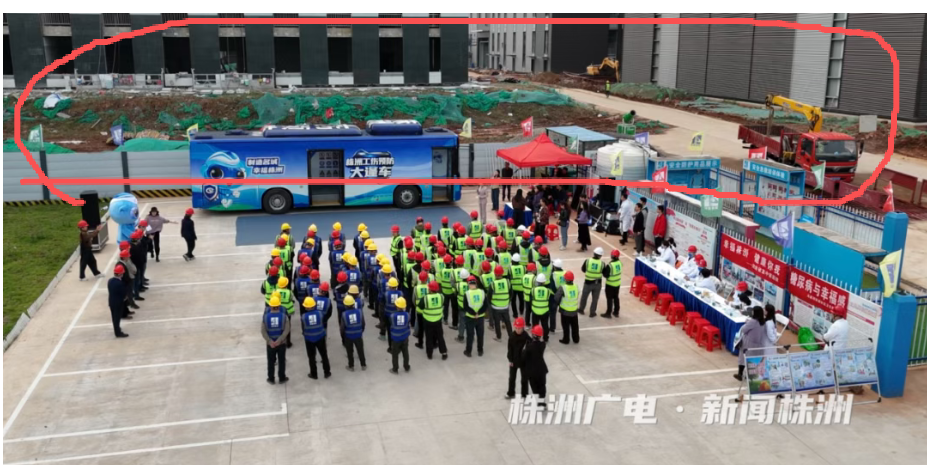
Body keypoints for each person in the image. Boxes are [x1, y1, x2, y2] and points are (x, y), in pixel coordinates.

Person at [301, 297, 332, 380]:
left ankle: (313, 374)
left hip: (309, 339)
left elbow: (303, 328)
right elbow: (323, 322)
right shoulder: (320, 313)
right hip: (320, 337)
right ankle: (327, 372)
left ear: (306, 307)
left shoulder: (303, 317)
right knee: (324, 355)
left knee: (311, 357)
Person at [733, 306, 766, 382]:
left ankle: (740, 374)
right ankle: (751, 377)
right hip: (758, 344)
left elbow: (744, 330)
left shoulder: (753, 321)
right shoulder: (763, 321)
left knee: (742, 358)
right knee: (753, 361)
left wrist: (747, 323)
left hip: (748, 343)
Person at [263, 295, 290, 384]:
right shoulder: (284, 316)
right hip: (281, 344)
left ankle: (271, 378)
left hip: (270, 344)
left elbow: (263, 331)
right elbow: (287, 329)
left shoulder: (265, 317)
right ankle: (282, 378)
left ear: (270, 306)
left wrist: (270, 341)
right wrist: (280, 340)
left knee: (271, 362)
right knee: (281, 361)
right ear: (279, 305)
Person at [419, 281, 449, 360]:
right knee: (440, 336)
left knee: (429, 337)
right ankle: (444, 353)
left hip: (428, 320)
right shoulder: (441, 296)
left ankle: (429, 354)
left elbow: (420, 306)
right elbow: (444, 304)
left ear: (429, 289)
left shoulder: (425, 298)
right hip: (438, 320)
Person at [523, 325, 549, 408]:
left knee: (534, 386)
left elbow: (524, 356)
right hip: (541, 369)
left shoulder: (529, 347)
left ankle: (539, 401)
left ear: (533, 335)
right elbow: (538, 343)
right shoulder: (543, 345)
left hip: (532, 371)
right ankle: (542, 400)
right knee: (542, 385)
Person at [341, 295, 367, 371]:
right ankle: (363, 365)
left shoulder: (344, 314)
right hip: (358, 335)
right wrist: (361, 331)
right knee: (360, 350)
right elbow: (363, 323)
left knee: (349, 352)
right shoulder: (359, 312)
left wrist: (343, 336)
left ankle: (351, 366)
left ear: (345, 305)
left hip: (348, 336)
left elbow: (342, 328)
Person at [506, 317, 530, 399]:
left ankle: (525, 394)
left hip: (524, 362)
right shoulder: (512, 336)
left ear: (523, 327)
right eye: (516, 328)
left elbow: (530, 347)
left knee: (524, 379)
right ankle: (511, 393)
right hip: (514, 360)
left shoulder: (526, 336)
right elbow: (509, 349)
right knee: (512, 378)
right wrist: (510, 360)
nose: (518, 330)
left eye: (519, 328)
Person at [463, 276, 487, 357]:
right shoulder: (482, 292)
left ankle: (468, 351)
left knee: (470, 335)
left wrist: (474, 313)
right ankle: (480, 350)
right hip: (480, 317)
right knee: (480, 335)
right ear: (476, 283)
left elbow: (466, 307)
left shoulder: (467, 294)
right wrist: (478, 313)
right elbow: (485, 305)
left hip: (470, 317)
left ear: (468, 284)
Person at [488, 265, 513, 342]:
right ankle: (511, 337)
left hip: (495, 307)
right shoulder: (507, 282)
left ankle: (499, 337)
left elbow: (489, 296)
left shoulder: (493, 284)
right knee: (507, 321)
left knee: (497, 322)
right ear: (502, 273)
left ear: (495, 274)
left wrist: (491, 303)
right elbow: (511, 293)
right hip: (505, 306)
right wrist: (507, 301)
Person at [555, 271, 580, 344]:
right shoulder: (576, 286)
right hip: (574, 310)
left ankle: (566, 340)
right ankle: (576, 339)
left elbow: (556, 298)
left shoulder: (563, 288)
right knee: (575, 326)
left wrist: (559, 303)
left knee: (566, 326)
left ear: (566, 279)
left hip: (565, 311)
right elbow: (577, 293)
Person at [389, 297, 412, 373]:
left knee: (395, 354)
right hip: (405, 337)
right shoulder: (407, 315)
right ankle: (406, 367)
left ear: (397, 306)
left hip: (396, 338)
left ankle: (395, 369)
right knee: (405, 352)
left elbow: (391, 324)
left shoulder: (392, 316)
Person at [579, 247, 604, 317]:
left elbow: (583, 269)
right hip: (597, 284)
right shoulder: (602, 263)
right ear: (600, 255)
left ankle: (581, 309)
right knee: (595, 299)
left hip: (588, 283)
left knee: (584, 297)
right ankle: (592, 312)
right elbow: (605, 273)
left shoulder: (587, 261)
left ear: (594, 253)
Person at [107, 265, 129, 338]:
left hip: (112, 302)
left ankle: (117, 329)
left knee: (114, 317)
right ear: (120, 274)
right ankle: (118, 332)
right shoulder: (120, 283)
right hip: (118, 303)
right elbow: (124, 293)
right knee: (117, 318)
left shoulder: (110, 281)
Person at [530, 274, 551, 341]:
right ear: (544, 282)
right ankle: (545, 338)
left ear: (537, 281)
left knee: (535, 325)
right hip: (545, 311)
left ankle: (535, 337)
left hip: (535, 310)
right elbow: (549, 300)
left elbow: (531, 300)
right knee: (545, 325)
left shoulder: (533, 290)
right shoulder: (548, 291)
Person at [129, 230, 149, 300]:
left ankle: (137, 292)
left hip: (139, 265)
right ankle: (136, 295)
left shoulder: (137, 245)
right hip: (136, 266)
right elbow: (135, 258)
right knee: (135, 281)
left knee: (138, 279)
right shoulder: (132, 247)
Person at [603, 250, 622, 318]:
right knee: (616, 297)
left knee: (609, 299)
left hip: (610, 284)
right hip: (617, 283)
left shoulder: (610, 265)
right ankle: (616, 312)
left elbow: (605, 275)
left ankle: (608, 313)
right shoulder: (620, 263)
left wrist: (604, 270)